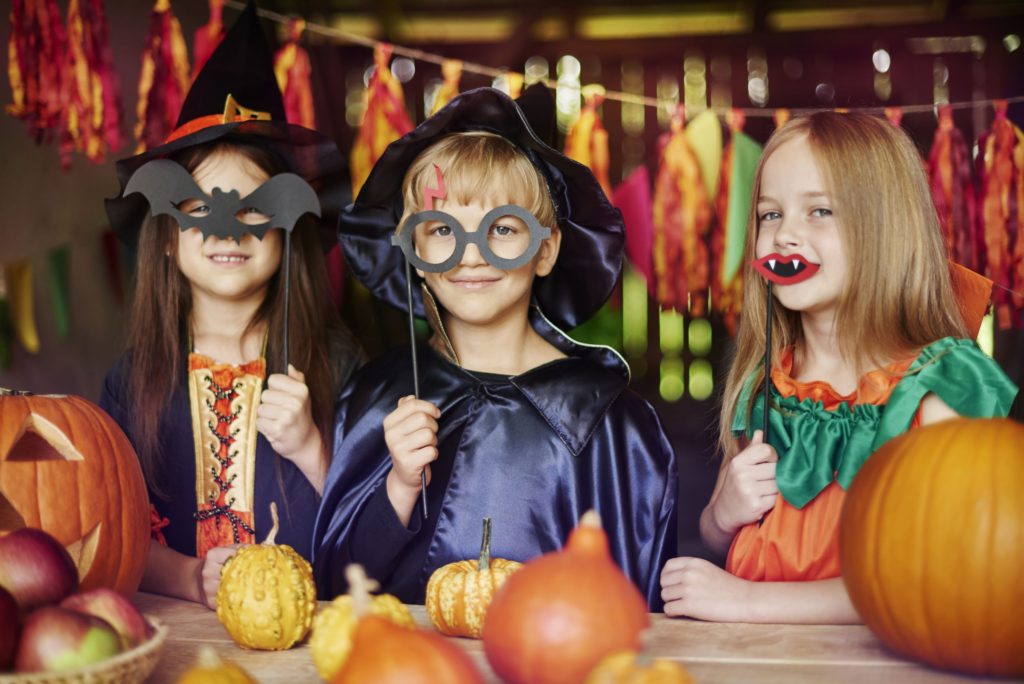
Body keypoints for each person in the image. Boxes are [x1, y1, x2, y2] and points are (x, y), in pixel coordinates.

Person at [313, 87, 677, 609]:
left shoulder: (611, 422)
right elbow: (335, 587)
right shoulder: (377, 398)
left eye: (502, 228)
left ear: (545, 249)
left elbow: (635, 606)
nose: (471, 255)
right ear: (413, 251)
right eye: (441, 229)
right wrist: (397, 486)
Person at [660, 111, 1018, 623]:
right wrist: (721, 515)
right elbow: (721, 533)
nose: (785, 235)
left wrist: (745, 601)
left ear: (885, 228)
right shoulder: (766, 385)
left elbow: (941, 581)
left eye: (820, 211)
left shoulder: (939, 391)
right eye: (769, 215)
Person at [99, 3, 360, 609]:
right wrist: (190, 578)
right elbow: (109, 532)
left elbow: (375, 537)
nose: (227, 230)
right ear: (164, 238)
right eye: (198, 210)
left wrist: (312, 451)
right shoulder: (132, 380)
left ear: (290, 230)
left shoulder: (338, 365)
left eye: (252, 209)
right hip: (173, 640)